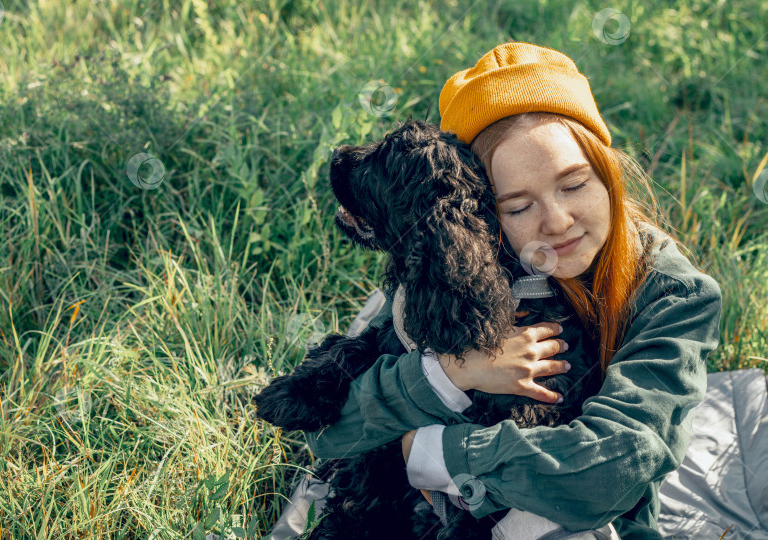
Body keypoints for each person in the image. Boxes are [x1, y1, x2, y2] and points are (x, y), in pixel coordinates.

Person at [302, 42, 722, 539]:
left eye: (574, 184)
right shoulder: (462, 268)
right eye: (518, 207)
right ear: (479, 214)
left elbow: (611, 471)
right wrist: (451, 373)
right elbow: (327, 430)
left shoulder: (673, 295)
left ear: (606, 170)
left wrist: (430, 452)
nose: (558, 222)